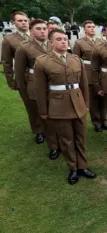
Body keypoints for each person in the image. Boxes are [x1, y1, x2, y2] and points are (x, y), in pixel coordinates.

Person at [34, 29, 96, 184]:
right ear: (51, 42)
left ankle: (83, 166)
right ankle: (73, 168)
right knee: (67, 139)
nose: (63, 41)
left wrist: (86, 103)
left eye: (65, 39)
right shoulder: (42, 61)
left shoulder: (76, 59)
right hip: (58, 106)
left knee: (81, 137)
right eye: (59, 39)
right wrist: (43, 110)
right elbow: (40, 89)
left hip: (78, 103)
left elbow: (83, 85)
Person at [15, 19, 60, 160]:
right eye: (38, 29)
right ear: (32, 31)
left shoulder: (53, 44)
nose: (42, 31)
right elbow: (20, 72)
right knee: (44, 116)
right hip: (34, 86)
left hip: (53, 85)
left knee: (56, 116)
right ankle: (53, 147)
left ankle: (61, 140)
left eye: (44, 29)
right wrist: (24, 91)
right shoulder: (24, 47)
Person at [2, 12, 38, 140]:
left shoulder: (37, 35)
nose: (24, 23)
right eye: (20, 21)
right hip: (25, 78)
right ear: (14, 23)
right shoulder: (9, 40)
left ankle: (51, 128)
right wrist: (11, 81)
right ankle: (38, 130)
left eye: (25, 20)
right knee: (31, 106)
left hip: (43, 76)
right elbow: (6, 63)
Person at [73, 20, 107, 132]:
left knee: (103, 98)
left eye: (93, 26)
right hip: (88, 73)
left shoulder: (101, 41)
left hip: (100, 73)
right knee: (93, 99)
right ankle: (97, 122)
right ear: (84, 29)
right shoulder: (80, 43)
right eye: (89, 27)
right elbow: (75, 60)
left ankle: (105, 121)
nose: (92, 29)